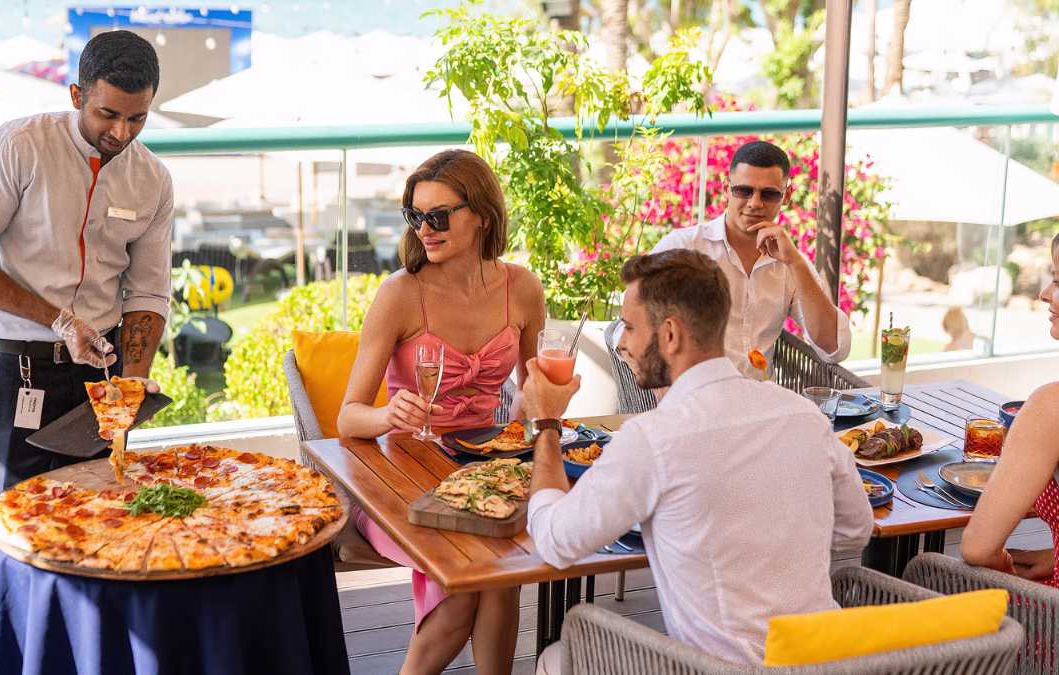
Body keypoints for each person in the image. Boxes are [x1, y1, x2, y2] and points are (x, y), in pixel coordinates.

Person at [522, 249, 872, 671]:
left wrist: (546, 423)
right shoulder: (803, 416)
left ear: (670, 335)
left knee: (555, 659)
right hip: (828, 665)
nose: (622, 343)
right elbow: (856, 529)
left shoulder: (654, 440)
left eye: (630, 327)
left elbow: (557, 542)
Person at [337, 149, 546, 675]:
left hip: (484, 469)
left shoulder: (522, 288)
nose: (425, 229)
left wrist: (546, 396)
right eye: (416, 216)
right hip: (401, 475)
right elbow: (348, 418)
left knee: (501, 577)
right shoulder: (400, 294)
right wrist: (389, 415)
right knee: (461, 594)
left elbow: (529, 392)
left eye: (438, 215)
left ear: (481, 214)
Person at [0, 30, 171, 495]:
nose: (121, 133)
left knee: (104, 513)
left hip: (100, 377)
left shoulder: (153, 179)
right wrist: (61, 320)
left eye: (137, 118)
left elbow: (147, 290)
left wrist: (132, 382)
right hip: (20, 371)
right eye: (108, 114)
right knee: (20, 522)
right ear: (77, 95)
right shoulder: (18, 147)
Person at [644, 140, 851, 379]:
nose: (755, 203)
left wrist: (795, 263)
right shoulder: (684, 247)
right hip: (695, 401)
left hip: (760, 403)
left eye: (769, 194)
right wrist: (666, 387)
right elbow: (630, 326)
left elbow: (833, 347)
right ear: (726, 189)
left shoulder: (790, 262)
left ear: (786, 196)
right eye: (744, 191)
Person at [961, 233, 1059, 583]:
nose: (1045, 293)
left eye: (1058, 281)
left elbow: (977, 549)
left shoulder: (1051, 407)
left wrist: (1005, 571)